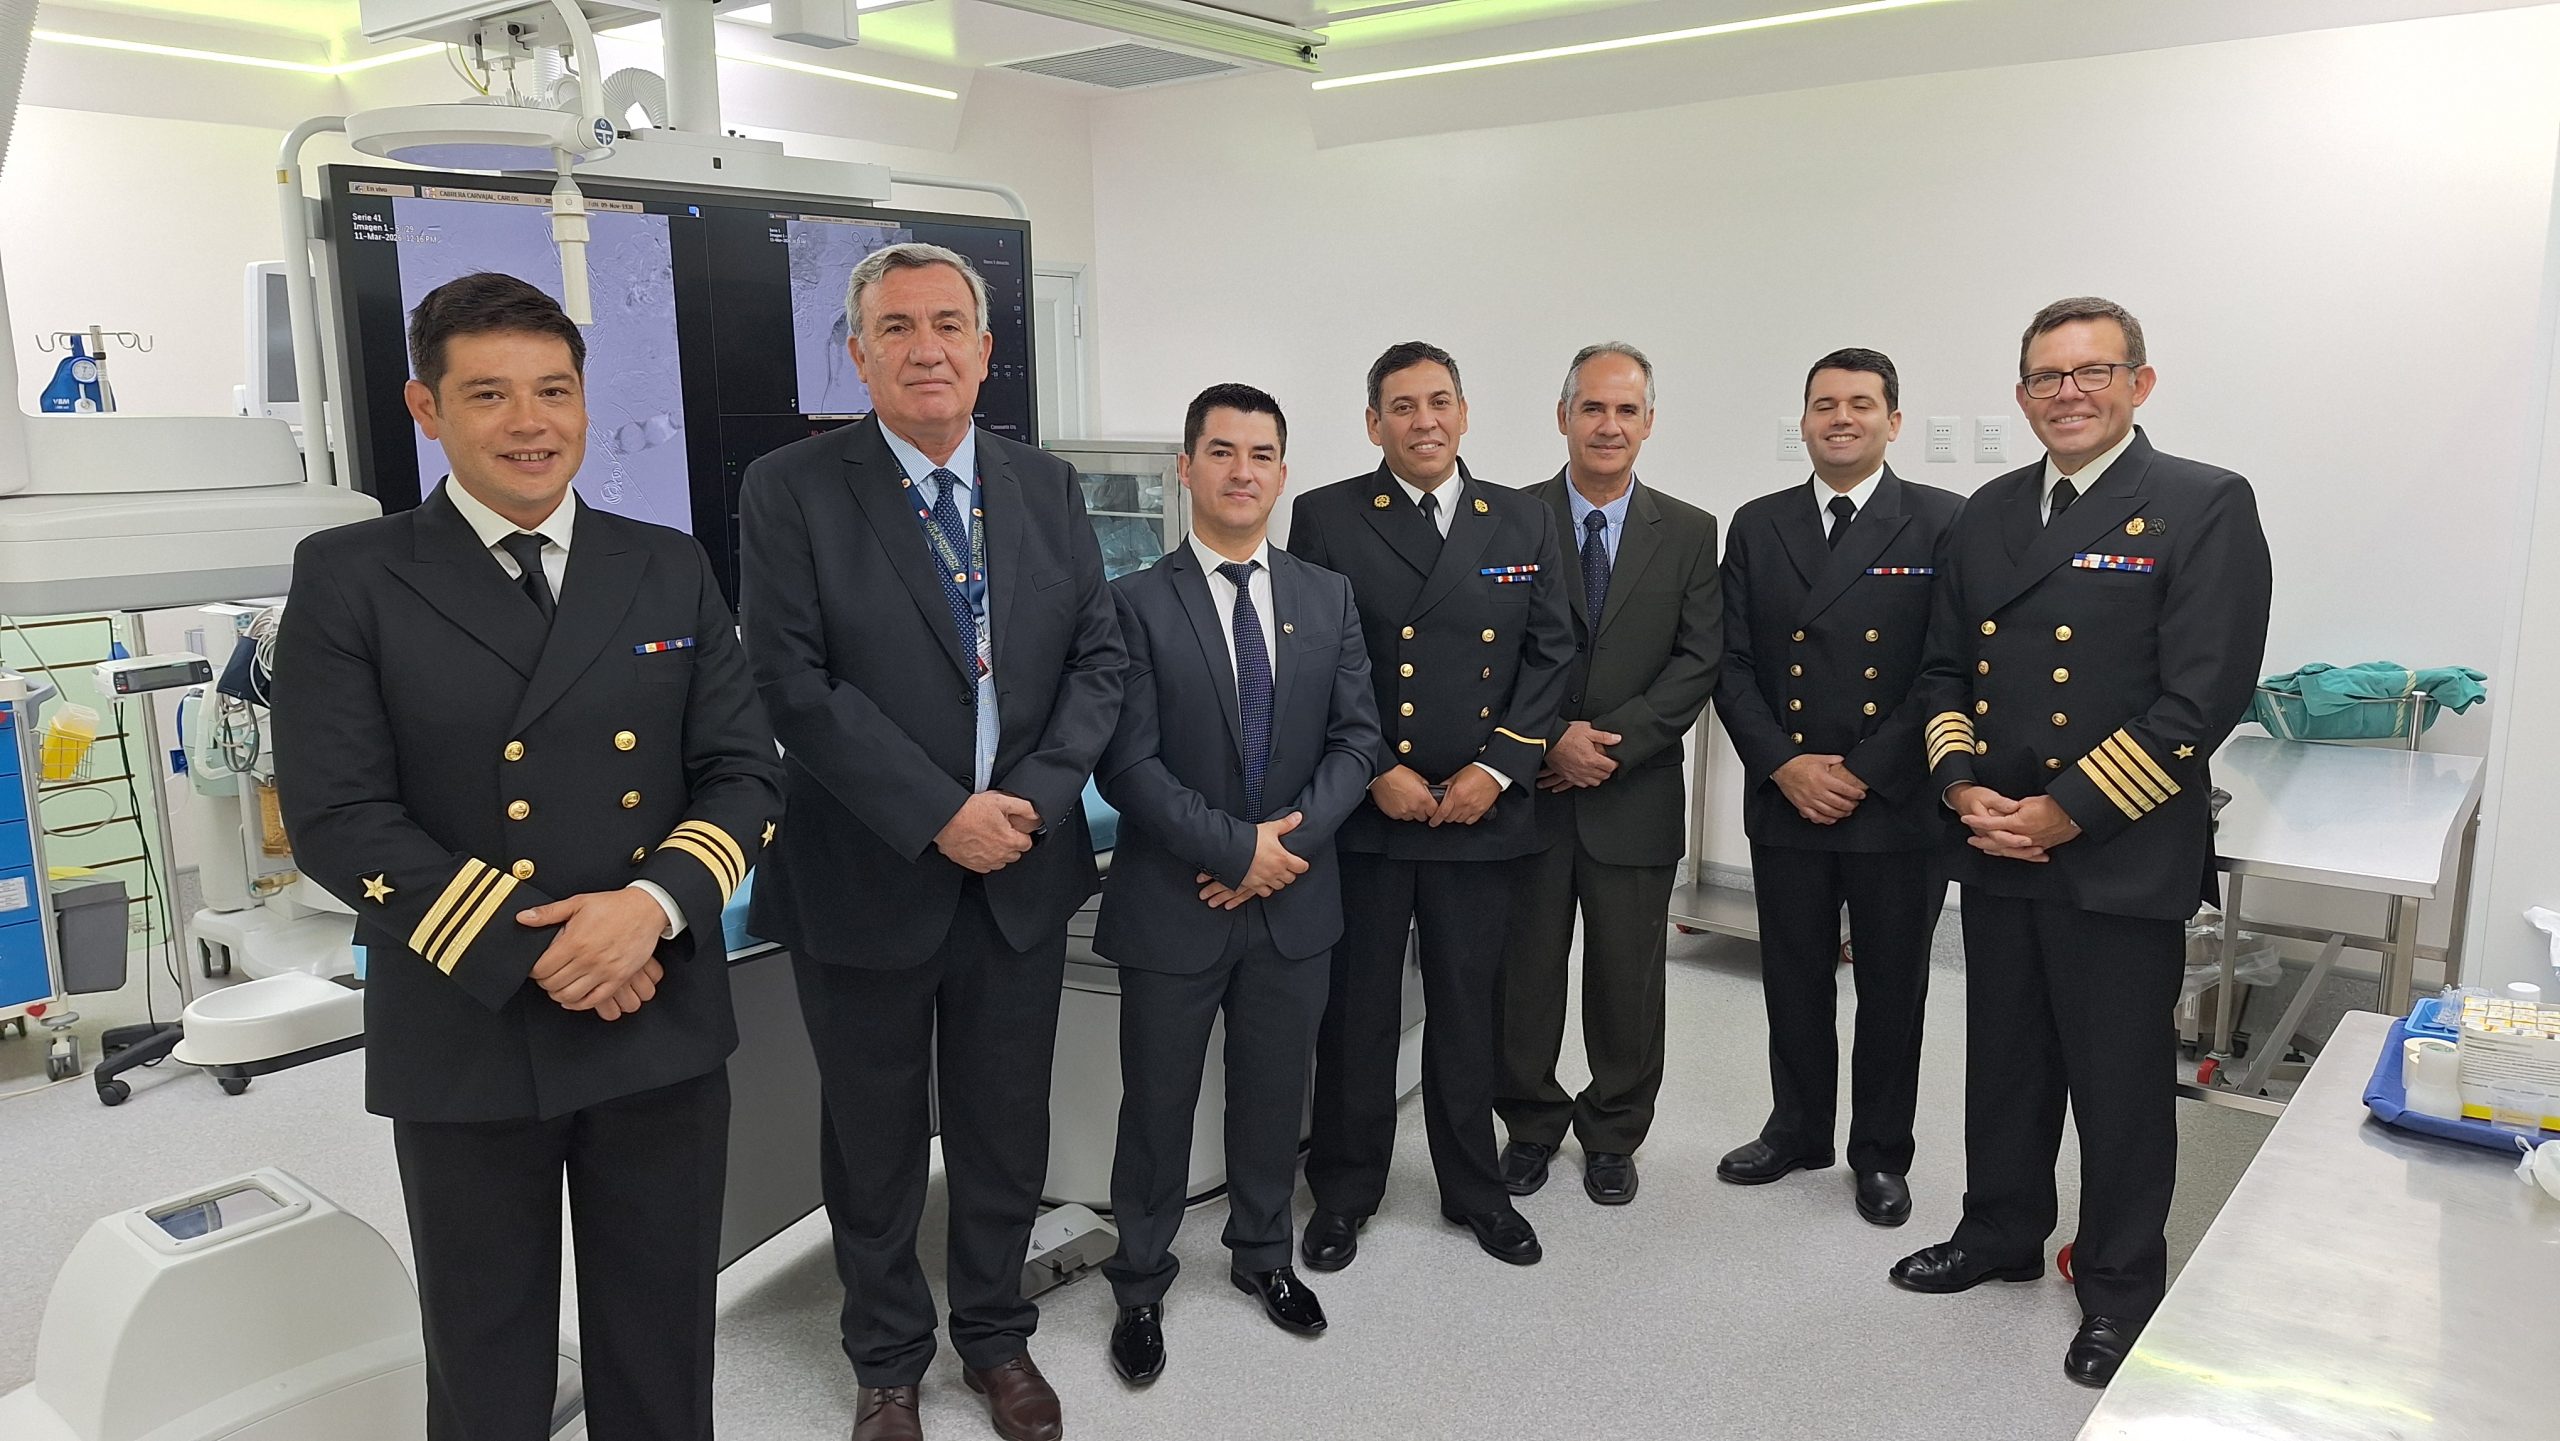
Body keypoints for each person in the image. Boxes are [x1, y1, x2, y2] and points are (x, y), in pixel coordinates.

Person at [275, 271, 782, 1441]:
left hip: (654, 1013)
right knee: (485, 1357)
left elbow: (746, 773)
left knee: (662, 1350)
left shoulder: (666, 564)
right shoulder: (353, 576)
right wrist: (543, 949)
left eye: (553, 390)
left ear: (585, 403)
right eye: (489, 393)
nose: (529, 422)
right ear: (426, 407)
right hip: (469, 1017)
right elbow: (338, 814)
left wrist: (648, 908)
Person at [738, 243, 1124, 1441]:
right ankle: (887, 1360)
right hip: (867, 869)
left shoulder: (1042, 487)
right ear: (858, 355)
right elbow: (792, 682)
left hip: (1018, 867)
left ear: (985, 349)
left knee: (1006, 1124)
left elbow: (1098, 661)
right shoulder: (792, 488)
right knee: (876, 1138)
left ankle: (997, 1338)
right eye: (896, 328)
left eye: (948, 324)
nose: (926, 348)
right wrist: (937, 813)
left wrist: (1032, 801)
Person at [1887, 297, 2272, 1388]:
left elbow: (2200, 699)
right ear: (2021, 396)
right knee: (2004, 1061)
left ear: (2138, 384)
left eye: (2092, 372)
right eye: (2046, 377)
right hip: (1997, 840)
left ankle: (2118, 1284)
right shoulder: (1989, 512)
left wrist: (2067, 808)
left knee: (2118, 1085)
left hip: (2117, 849)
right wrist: (1961, 786)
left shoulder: (2200, 503)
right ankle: (2001, 1229)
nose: (2068, 393)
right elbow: (1943, 670)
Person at [1092, 383, 1382, 1386]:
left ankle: (1264, 1254)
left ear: (1282, 473)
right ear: (1186, 468)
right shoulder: (1133, 602)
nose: (1241, 471)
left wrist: (1278, 851)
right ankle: (1139, 1279)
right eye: (1221, 451)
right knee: (1157, 1104)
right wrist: (1232, 851)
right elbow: (1126, 763)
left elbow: (1357, 741)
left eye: (1261, 454)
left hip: (1294, 898)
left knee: (1270, 1093)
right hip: (1173, 902)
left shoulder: (1325, 595)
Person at [1285, 340, 1574, 1270]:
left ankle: (1475, 1188)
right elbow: (1315, 654)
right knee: (1357, 1012)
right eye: (1403, 406)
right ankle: (1344, 1189)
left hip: (1479, 810)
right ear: (1374, 423)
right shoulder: (1327, 515)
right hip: (1374, 808)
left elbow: (1551, 654)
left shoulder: (1523, 518)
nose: (1425, 421)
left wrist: (1498, 768)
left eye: (1439, 401)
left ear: (1464, 411)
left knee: (1469, 1009)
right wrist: (1375, 767)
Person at [1709, 347, 1960, 1226]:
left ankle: (1882, 1152)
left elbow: (1946, 668)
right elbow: (1731, 663)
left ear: (1894, 420)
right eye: (1824, 404)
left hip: (1893, 799)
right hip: (1788, 794)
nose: (1841, 418)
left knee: (1893, 987)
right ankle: (1798, 1127)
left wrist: (1862, 769)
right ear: (1805, 421)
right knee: (1792, 976)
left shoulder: (1942, 521)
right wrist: (1784, 763)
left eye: (1860, 403)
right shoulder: (1758, 523)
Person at [1493, 343, 1721, 1207]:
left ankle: (1614, 1131)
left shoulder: (1691, 531)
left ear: (1649, 423)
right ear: (1563, 416)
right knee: (1524, 977)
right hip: (1530, 793)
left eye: (1627, 410)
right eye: (1592, 407)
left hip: (1635, 795)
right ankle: (1529, 1123)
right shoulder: (1508, 518)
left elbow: (1698, 661)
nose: (1609, 425)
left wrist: (1607, 745)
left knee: (1629, 981)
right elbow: (1489, 651)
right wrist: (1549, 738)